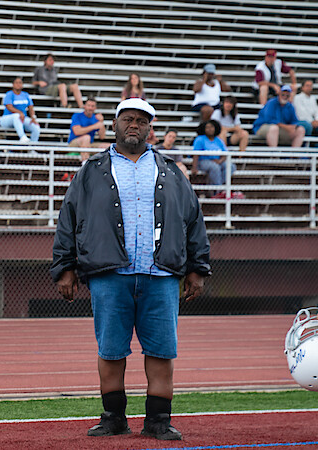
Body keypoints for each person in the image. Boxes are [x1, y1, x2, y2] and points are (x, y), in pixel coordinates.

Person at [51, 98, 210, 442]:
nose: (134, 125)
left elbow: (193, 219)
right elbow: (69, 219)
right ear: (115, 124)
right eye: (128, 119)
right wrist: (65, 268)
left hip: (161, 274)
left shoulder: (170, 170)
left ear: (150, 127)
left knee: (161, 351)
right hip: (109, 274)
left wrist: (198, 268)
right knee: (111, 351)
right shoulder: (91, 169)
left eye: (141, 120)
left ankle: (158, 420)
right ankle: (113, 418)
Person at [192, 120, 238, 198]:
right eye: (207, 127)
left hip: (217, 161)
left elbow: (225, 154)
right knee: (214, 167)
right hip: (203, 161)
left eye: (211, 127)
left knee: (231, 166)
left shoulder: (218, 140)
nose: (210, 129)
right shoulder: (200, 139)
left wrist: (220, 161)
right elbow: (196, 154)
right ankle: (219, 190)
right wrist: (194, 168)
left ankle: (219, 187)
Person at [0, 77, 40, 143]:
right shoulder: (9, 94)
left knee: (36, 127)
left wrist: (33, 117)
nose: (18, 84)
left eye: (20, 83)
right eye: (16, 83)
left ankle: (33, 148)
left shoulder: (25, 95)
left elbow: (31, 107)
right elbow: (9, 107)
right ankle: (22, 136)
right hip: (7, 119)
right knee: (16, 116)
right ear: (13, 84)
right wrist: (20, 113)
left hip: (21, 118)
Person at [293, 80, 318, 147]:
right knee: (307, 126)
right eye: (307, 86)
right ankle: (305, 146)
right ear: (302, 87)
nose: (309, 88)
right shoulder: (297, 98)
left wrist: (317, 119)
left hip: (313, 121)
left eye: (310, 86)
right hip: (301, 120)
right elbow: (300, 112)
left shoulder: (312, 98)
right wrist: (312, 121)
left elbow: (317, 111)